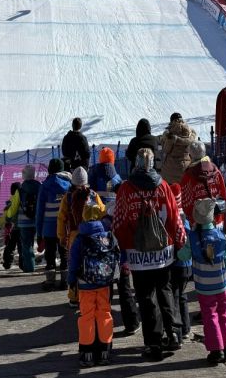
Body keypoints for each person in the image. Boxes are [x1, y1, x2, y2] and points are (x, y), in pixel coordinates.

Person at [112, 148, 186, 361]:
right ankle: (173, 333)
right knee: (165, 291)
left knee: (145, 297)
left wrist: (125, 247)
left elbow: (119, 222)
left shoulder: (126, 188)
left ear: (135, 162)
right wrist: (179, 243)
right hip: (164, 252)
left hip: (138, 254)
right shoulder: (163, 186)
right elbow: (174, 219)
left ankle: (153, 342)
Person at [88, 147, 140, 334]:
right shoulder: (119, 180)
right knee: (125, 287)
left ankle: (103, 324)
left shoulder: (92, 176)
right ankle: (132, 322)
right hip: (120, 245)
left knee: (105, 287)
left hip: (101, 237)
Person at [177, 199, 226, 364]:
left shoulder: (193, 237)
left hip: (204, 287)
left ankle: (216, 350)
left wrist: (179, 249)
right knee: (224, 314)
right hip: (221, 284)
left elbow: (183, 256)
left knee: (210, 316)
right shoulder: (221, 236)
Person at [67, 201, 120, 367]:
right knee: (104, 313)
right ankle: (105, 350)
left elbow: (73, 262)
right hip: (104, 282)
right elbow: (118, 255)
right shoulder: (108, 235)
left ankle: (87, 352)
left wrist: (71, 281)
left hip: (85, 284)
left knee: (86, 316)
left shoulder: (80, 238)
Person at [59, 167, 106, 307]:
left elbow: (61, 218)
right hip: (92, 236)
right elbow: (102, 211)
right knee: (90, 264)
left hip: (74, 235)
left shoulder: (67, 198)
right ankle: (93, 293)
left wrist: (61, 236)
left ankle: (74, 297)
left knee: (74, 265)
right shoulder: (93, 195)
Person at [37, 159, 72, 290]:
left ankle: (50, 282)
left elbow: (39, 212)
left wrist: (39, 232)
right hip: (64, 228)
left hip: (48, 228)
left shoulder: (44, 186)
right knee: (64, 254)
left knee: (50, 255)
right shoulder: (69, 185)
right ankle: (65, 281)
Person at [2, 166, 41, 272]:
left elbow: (14, 207)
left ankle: (29, 267)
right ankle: (30, 264)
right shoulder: (39, 186)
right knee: (31, 243)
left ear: (24, 175)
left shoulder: (20, 189)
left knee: (26, 246)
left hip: (23, 222)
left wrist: (8, 216)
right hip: (36, 220)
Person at [179, 141, 226, 227]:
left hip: (197, 220)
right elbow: (222, 192)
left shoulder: (188, 175)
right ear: (204, 153)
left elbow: (186, 201)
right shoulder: (214, 169)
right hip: (216, 217)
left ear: (190, 156)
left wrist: (190, 215)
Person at [169, 183, 193, 340]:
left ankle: (177, 327)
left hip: (175, 264)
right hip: (187, 265)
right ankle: (186, 327)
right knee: (183, 295)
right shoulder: (187, 219)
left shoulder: (172, 218)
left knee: (175, 296)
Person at [159, 113, 197, 185]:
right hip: (185, 168)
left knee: (171, 191)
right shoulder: (189, 132)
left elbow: (166, 149)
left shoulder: (169, 133)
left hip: (170, 170)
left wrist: (163, 140)